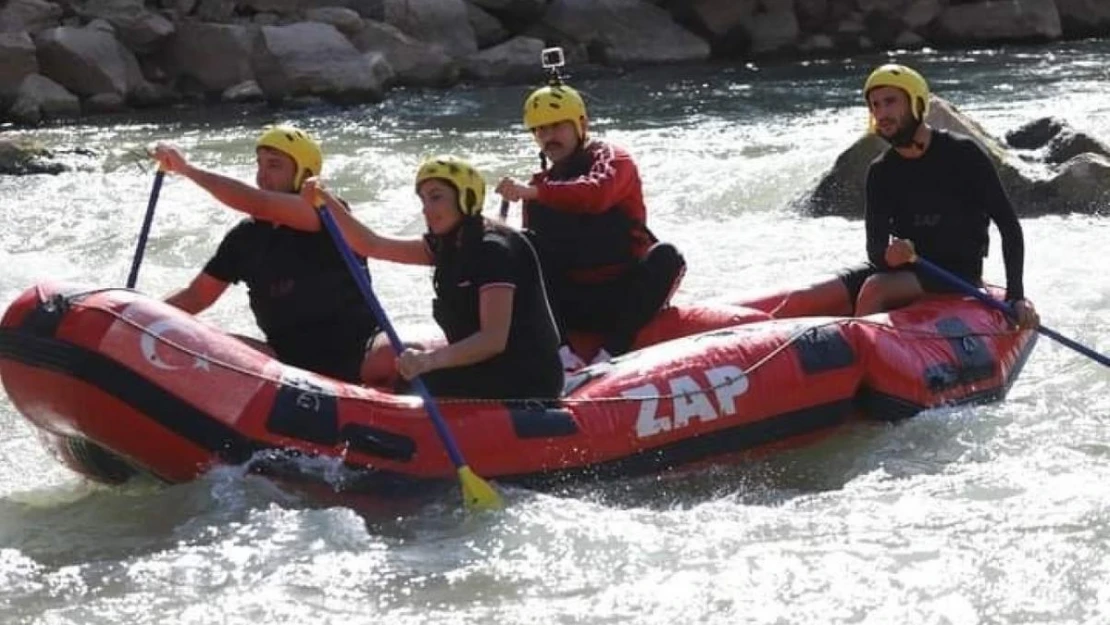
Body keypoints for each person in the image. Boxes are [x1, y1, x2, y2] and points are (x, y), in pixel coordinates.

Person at [789, 64, 1038, 328]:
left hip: (956, 273)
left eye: (890, 102)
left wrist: (1016, 296)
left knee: (876, 288)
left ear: (916, 103)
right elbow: (876, 249)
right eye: (875, 105)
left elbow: (1008, 225)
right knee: (802, 298)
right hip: (903, 270)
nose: (882, 113)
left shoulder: (963, 154)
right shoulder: (881, 171)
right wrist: (888, 256)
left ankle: (860, 357)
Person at [308, 155, 564, 399]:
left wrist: (429, 361)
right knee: (409, 380)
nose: (427, 210)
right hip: (485, 367)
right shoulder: (447, 245)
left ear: (466, 198)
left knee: (415, 385)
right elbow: (373, 246)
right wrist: (327, 201)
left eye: (436, 198)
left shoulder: (494, 250)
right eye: (423, 200)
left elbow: (492, 340)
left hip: (525, 377)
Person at [151, 125, 391, 384]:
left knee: (393, 354)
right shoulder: (244, 238)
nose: (262, 176)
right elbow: (197, 296)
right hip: (284, 362)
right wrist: (139, 315)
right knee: (204, 345)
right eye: (260, 165)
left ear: (303, 175)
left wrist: (186, 169)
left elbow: (257, 202)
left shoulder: (327, 214)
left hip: (360, 352)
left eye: (274, 166)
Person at [495, 81, 686, 371]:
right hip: (573, 301)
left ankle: (611, 353)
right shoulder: (539, 187)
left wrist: (534, 192)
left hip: (624, 294)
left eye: (558, 126)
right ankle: (561, 354)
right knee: (523, 246)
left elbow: (597, 194)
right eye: (540, 130)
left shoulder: (614, 160)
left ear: (581, 124)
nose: (549, 137)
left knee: (667, 255)